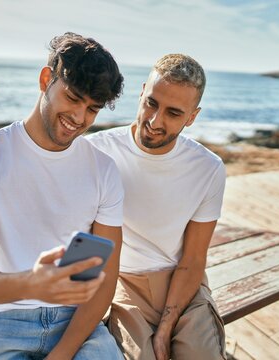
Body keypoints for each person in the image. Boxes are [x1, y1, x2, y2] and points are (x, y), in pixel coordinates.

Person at [0, 32, 125, 359]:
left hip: (78, 323)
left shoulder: (104, 170)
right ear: (46, 80)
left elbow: (104, 282)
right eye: (73, 98)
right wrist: (32, 284)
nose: (79, 118)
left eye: (92, 109)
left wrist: (62, 353)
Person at [86, 54, 227, 360]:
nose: (155, 121)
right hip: (123, 283)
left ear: (192, 116)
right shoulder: (96, 151)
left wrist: (166, 329)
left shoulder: (209, 168)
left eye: (174, 113)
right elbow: (71, 231)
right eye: (151, 103)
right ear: (141, 92)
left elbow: (192, 259)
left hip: (183, 284)